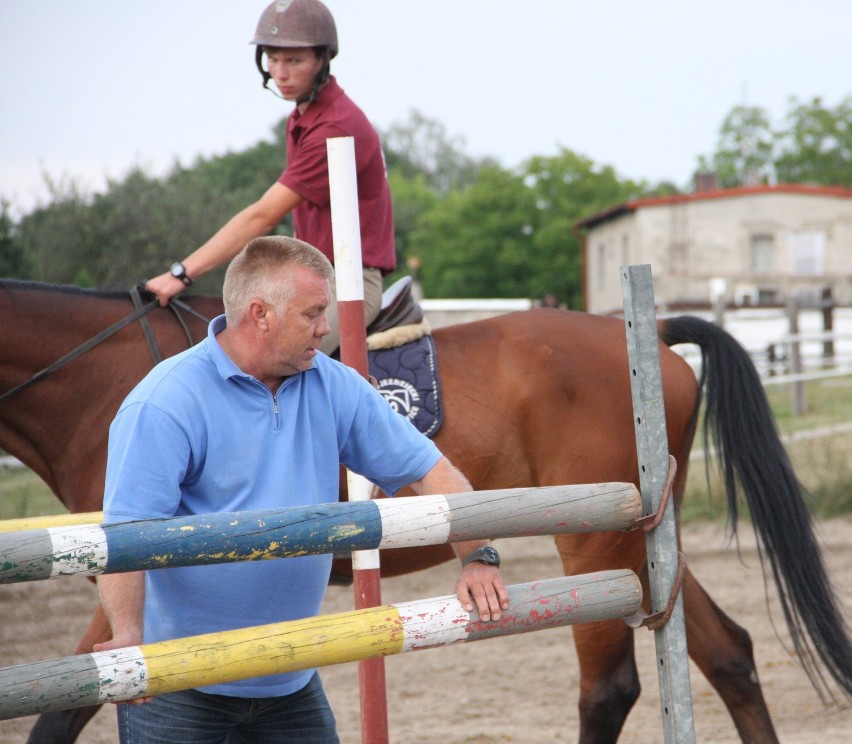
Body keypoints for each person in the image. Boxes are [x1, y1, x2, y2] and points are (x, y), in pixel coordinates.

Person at [96, 235, 508, 743]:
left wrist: (478, 555)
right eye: (312, 313)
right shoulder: (164, 402)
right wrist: (129, 637)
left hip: (289, 676)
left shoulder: (335, 384)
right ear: (260, 313)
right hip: (181, 682)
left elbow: (428, 468)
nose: (326, 327)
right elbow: (128, 530)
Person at [145, 0, 394, 355]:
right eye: (273, 59)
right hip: (313, 276)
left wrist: (180, 274)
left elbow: (262, 216)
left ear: (322, 60)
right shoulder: (303, 117)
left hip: (349, 283)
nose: (280, 72)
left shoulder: (334, 126)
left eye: (294, 60)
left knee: (277, 361)